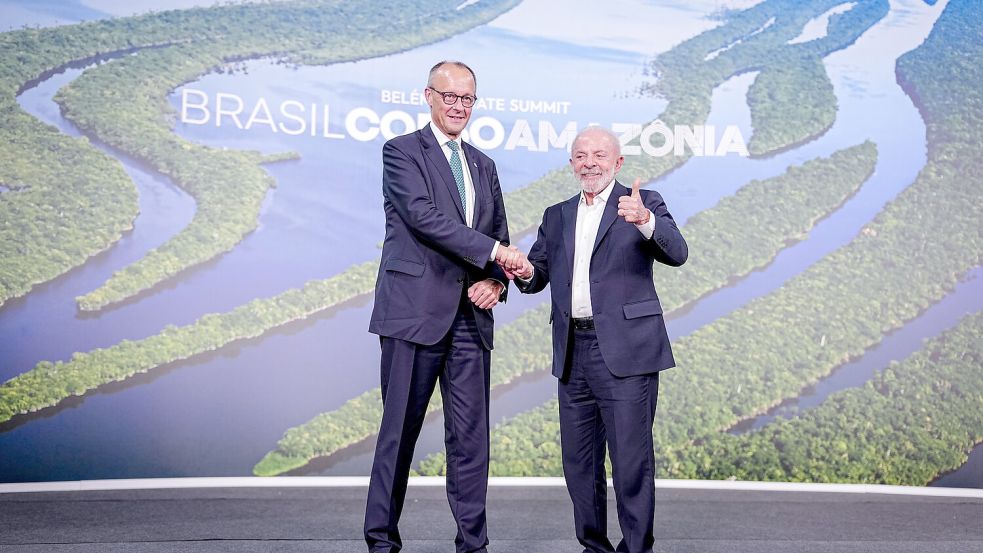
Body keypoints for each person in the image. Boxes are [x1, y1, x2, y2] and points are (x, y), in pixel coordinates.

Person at [507, 126, 688, 553]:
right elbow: (538, 274)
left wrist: (645, 221)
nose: (590, 162)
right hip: (574, 354)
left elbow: (677, 252)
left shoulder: (644, 203)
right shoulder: (556, 214)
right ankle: (594, 547)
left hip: (628, 354)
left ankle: (636, 549)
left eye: (599, 155)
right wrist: (522, 271)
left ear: (618, 162)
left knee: (631, 463)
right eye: (581, 155)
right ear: (572, 164)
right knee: (580, 465)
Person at [364, 60, 519, 553]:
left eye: (467, 99)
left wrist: (496, 281)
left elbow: (499, 234)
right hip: (414, 316)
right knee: (399, 436)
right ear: (427, 96)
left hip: (471, 322)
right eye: (449, 96)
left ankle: (474, 545)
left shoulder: (483, 164)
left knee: (471, 442)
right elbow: (424, 218)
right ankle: (381, 541)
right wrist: (495, 255)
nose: (458, 107)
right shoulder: (401, 152)